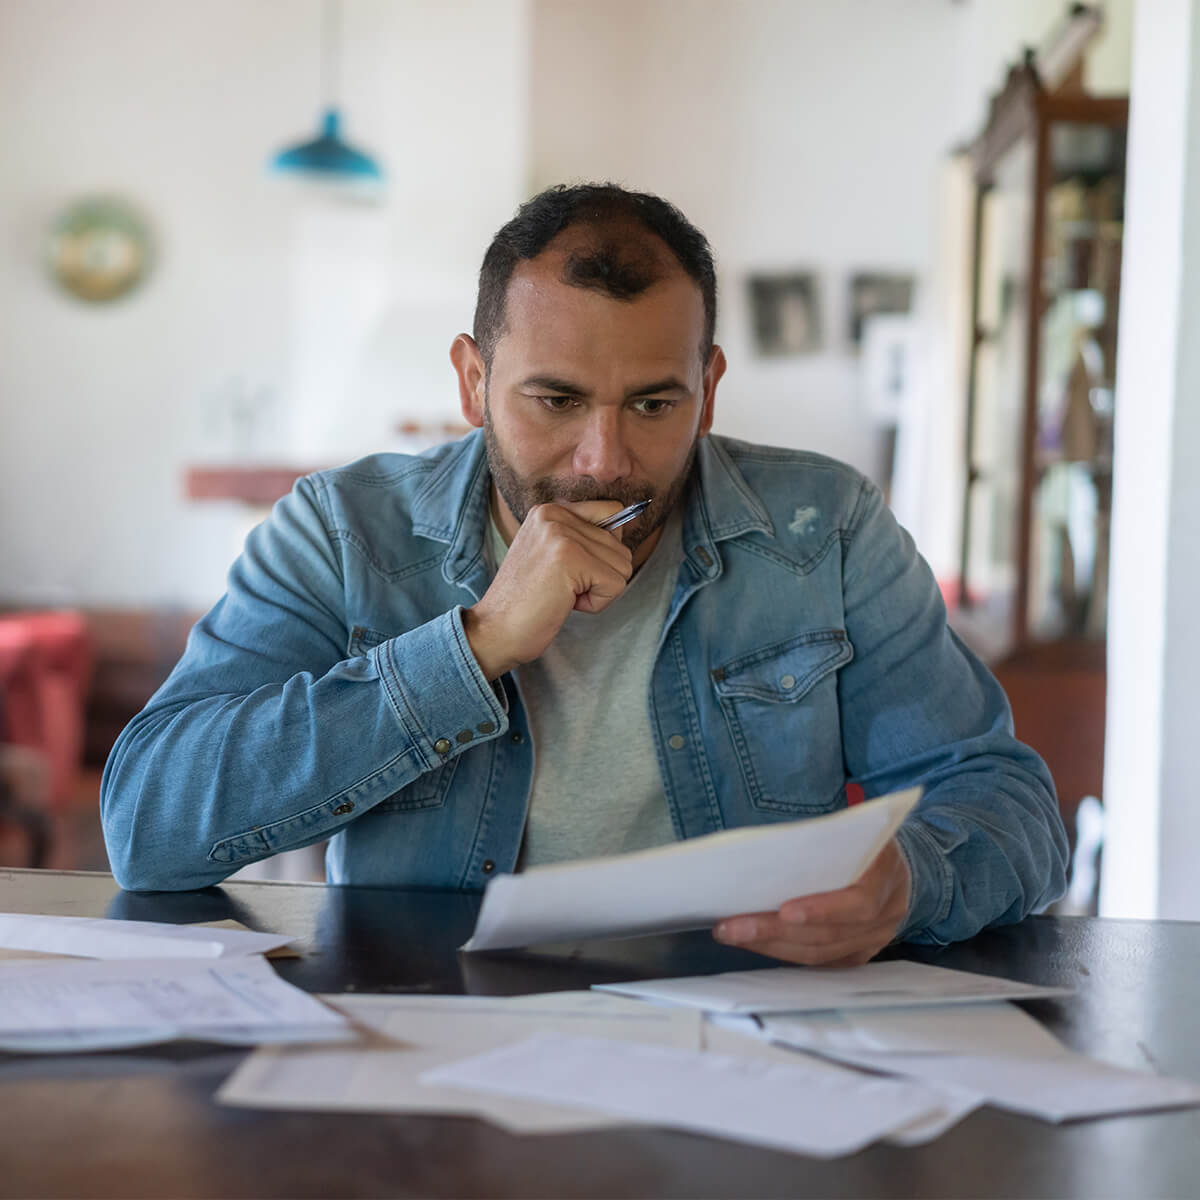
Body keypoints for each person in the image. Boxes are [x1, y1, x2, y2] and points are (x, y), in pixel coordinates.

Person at [101, 183, 1068, 965]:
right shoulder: (343, 531)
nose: (603, 459)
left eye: (654, 403)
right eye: (554, 399)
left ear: (711, 386)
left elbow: (1006, 800)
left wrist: (910, 883)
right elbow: (149, 825)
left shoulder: (826, 528)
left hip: (743, 1037)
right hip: (435, 1035)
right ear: (472, 381)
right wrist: (474, 650)